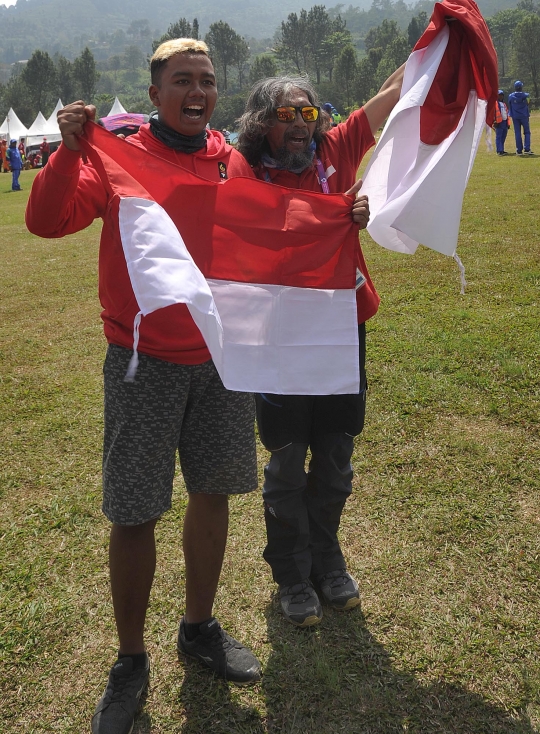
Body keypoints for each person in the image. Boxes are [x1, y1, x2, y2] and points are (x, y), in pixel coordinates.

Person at [26, 39, 263, 734]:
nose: (198, 91)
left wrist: (343, 220)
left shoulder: (230, 158)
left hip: (222, 358)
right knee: (134, 512)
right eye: (182, 81)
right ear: (155, 93)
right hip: (144, 362)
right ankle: (131, 660)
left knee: (213, 492)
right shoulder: (117, 157)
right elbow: (46, 220)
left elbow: (269, 228)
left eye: (208, 81)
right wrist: (71, 150)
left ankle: (198, 627)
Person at [236, 66, 404, 628]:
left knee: (335, 450)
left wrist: (441, 36)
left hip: (340, 325)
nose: (302, 125)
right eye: (287, 115)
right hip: (277, 336)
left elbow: (396, 92)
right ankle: (291, 570)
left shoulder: (337, 149)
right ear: (263, 123)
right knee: (286, 456)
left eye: (309, 113)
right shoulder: (244, 169)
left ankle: (328, 559)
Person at [508, 80, 533, 155]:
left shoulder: (511, 96)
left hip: (515, 116)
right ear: (521, 87)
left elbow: (510, 105)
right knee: (527, 132)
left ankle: (519, 150)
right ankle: (527, 149)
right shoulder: (526, 95)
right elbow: (528, 103)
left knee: (517, 133)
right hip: (524, 116)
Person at [494, 89, 510, 156]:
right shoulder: (495, 103)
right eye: (499, 95)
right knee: (499, 137)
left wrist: (508, 123)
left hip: (504, 122)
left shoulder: (504, 104)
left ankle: (502, 150)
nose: (500, 96)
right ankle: (499, 151)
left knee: (503, 136)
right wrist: (495, 122)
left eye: (501, 95)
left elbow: (506, 113)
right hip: (499, 122)